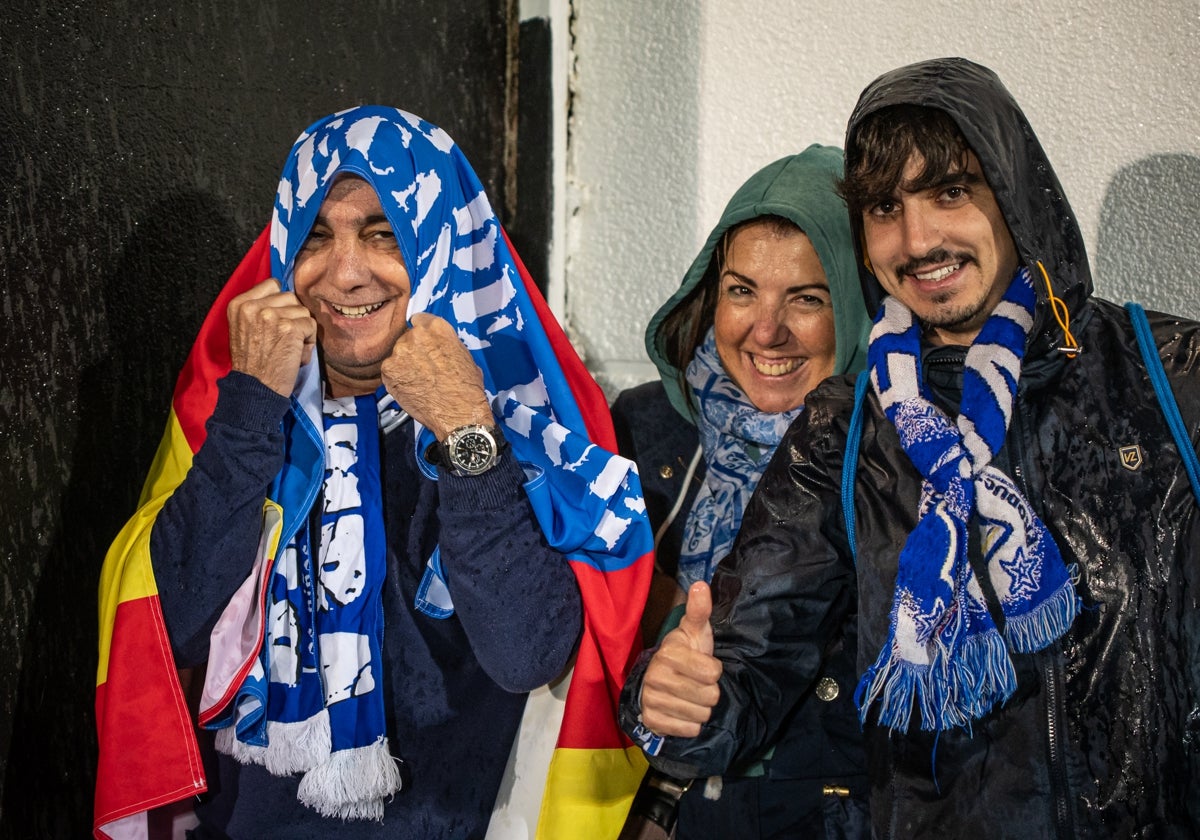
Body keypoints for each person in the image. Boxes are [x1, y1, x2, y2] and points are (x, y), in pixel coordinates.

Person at [619, 56, 1200, 838]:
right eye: (886, 207)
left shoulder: (1169, 375)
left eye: (951, 192)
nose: (918, 239)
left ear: (1014, 196)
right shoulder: (846, 426)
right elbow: (747, 659)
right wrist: (678, 693)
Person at [94, 106, 651, 839]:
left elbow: (526, 654)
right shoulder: (237, 408)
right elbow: (174, 638)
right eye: (316, 235)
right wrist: (253, 406)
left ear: (441, 245)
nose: (346, 272)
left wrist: (463, 430)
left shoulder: (520, 414)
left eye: (384, 233)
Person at [612, 145, 871, 838]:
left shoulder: (895, 462)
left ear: (856, 305)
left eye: (808, 299)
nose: (766, 330)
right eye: (742, 290)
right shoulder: (641, 430)